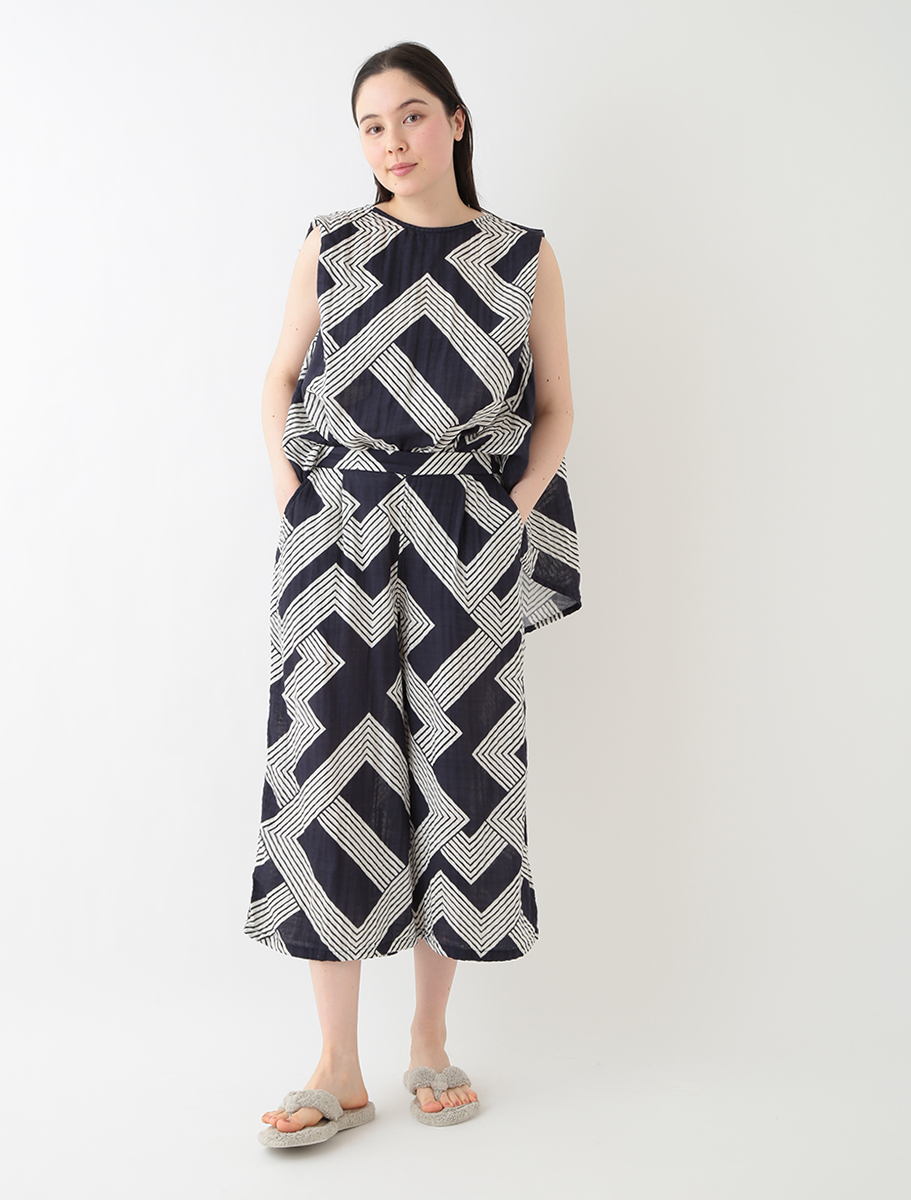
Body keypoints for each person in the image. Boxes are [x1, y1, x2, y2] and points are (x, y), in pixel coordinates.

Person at [245, 41, 583, 1148]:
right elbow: (280, 375)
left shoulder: (521, 255)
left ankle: (429, 1041)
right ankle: (336, 1066)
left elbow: (557, 405)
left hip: (464, 536)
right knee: (329, 772)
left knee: (460, 775)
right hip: (337, 533)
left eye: (412, 115)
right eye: (371, 125)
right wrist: (297, 495)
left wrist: (512, 506)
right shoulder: (333, 242)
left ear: (457, 121)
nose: (392, 141)